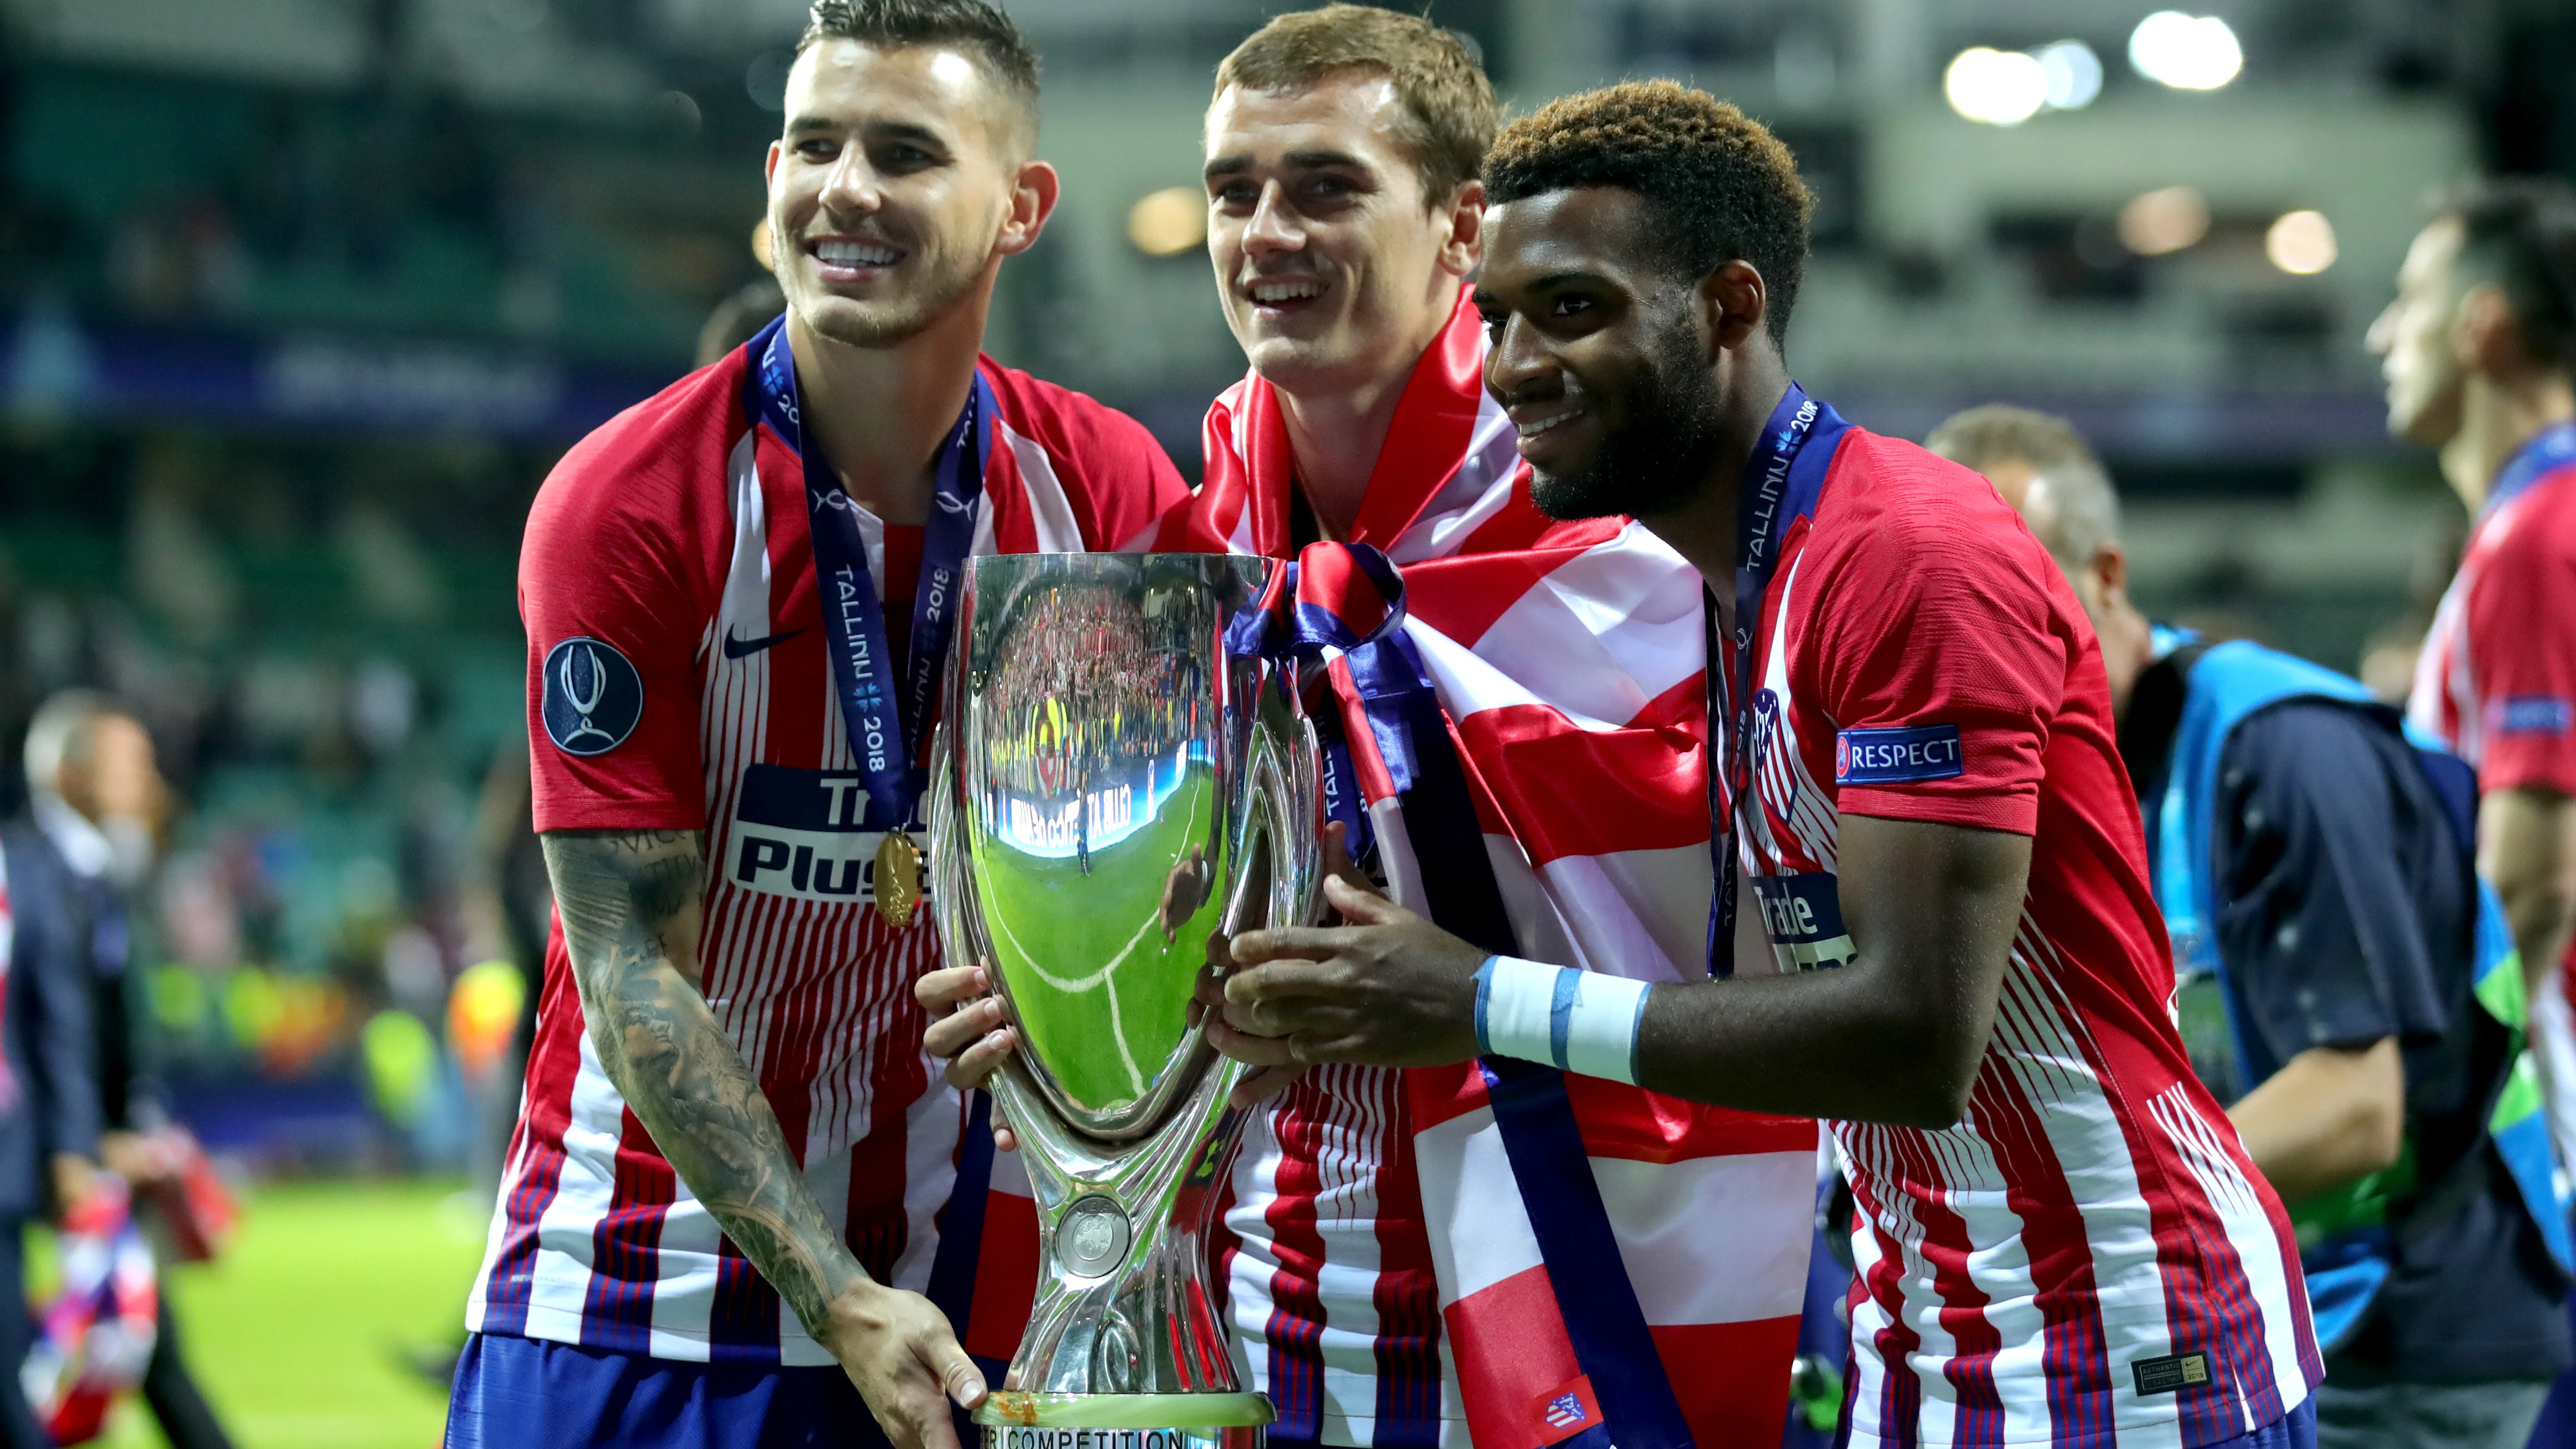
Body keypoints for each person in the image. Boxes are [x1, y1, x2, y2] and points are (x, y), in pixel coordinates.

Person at [1204, 81, 2322, 1447]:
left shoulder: (1906, 554)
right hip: (1917, 1334)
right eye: (1491, 317)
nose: (1508, 367)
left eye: (1571, 309)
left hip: (2123, 1339)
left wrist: (1481, 999)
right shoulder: (1728, 585)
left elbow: (1916, 1038)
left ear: (1729, 307)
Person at [925, 12, 1816, 1448]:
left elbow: (1731, 928)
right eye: (1234, 190)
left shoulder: (1618, 507)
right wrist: (1075, 1018)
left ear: (1462, 228)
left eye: (1327, 187)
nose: (1266, 232)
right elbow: (1233, 952)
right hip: (1284, 1289)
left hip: (1574, 1287)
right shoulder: (1191, 530)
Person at [443, 2, 1187, 1446]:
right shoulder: (632, 503)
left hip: (941, 1314)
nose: (847, 186)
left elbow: (1160, 888)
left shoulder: (1100, 488)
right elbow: (626, 969)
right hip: (625, 1314)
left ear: (1021, 206)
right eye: (820, 146)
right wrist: (834, 1289)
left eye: (906, 151)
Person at [1930, 405, 2573, 1449]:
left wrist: (2084, 1205)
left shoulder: (2281, 750)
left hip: (2407, 1320)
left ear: (2104, 575)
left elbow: (2357, 1109)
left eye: (2017, 596)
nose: (1981, 644)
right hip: (2261, 1295)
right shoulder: (2043, 777)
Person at [2369, 177, 2576, 1449]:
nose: (2377, 336)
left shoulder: (2536, 534)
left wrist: (2434, 1123)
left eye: (2405, 301)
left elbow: (2535, 882)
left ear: (2479, 326)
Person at [21, 692, 238, 1449]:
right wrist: (78, 1145)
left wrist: (134, 1129)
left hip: (82, 1150)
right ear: (71, 777)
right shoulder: (29, 873)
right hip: (49, 1156)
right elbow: (38, 1034)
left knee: (145, 1342)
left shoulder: (94, 877)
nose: (148, 784)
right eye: (130, 766)